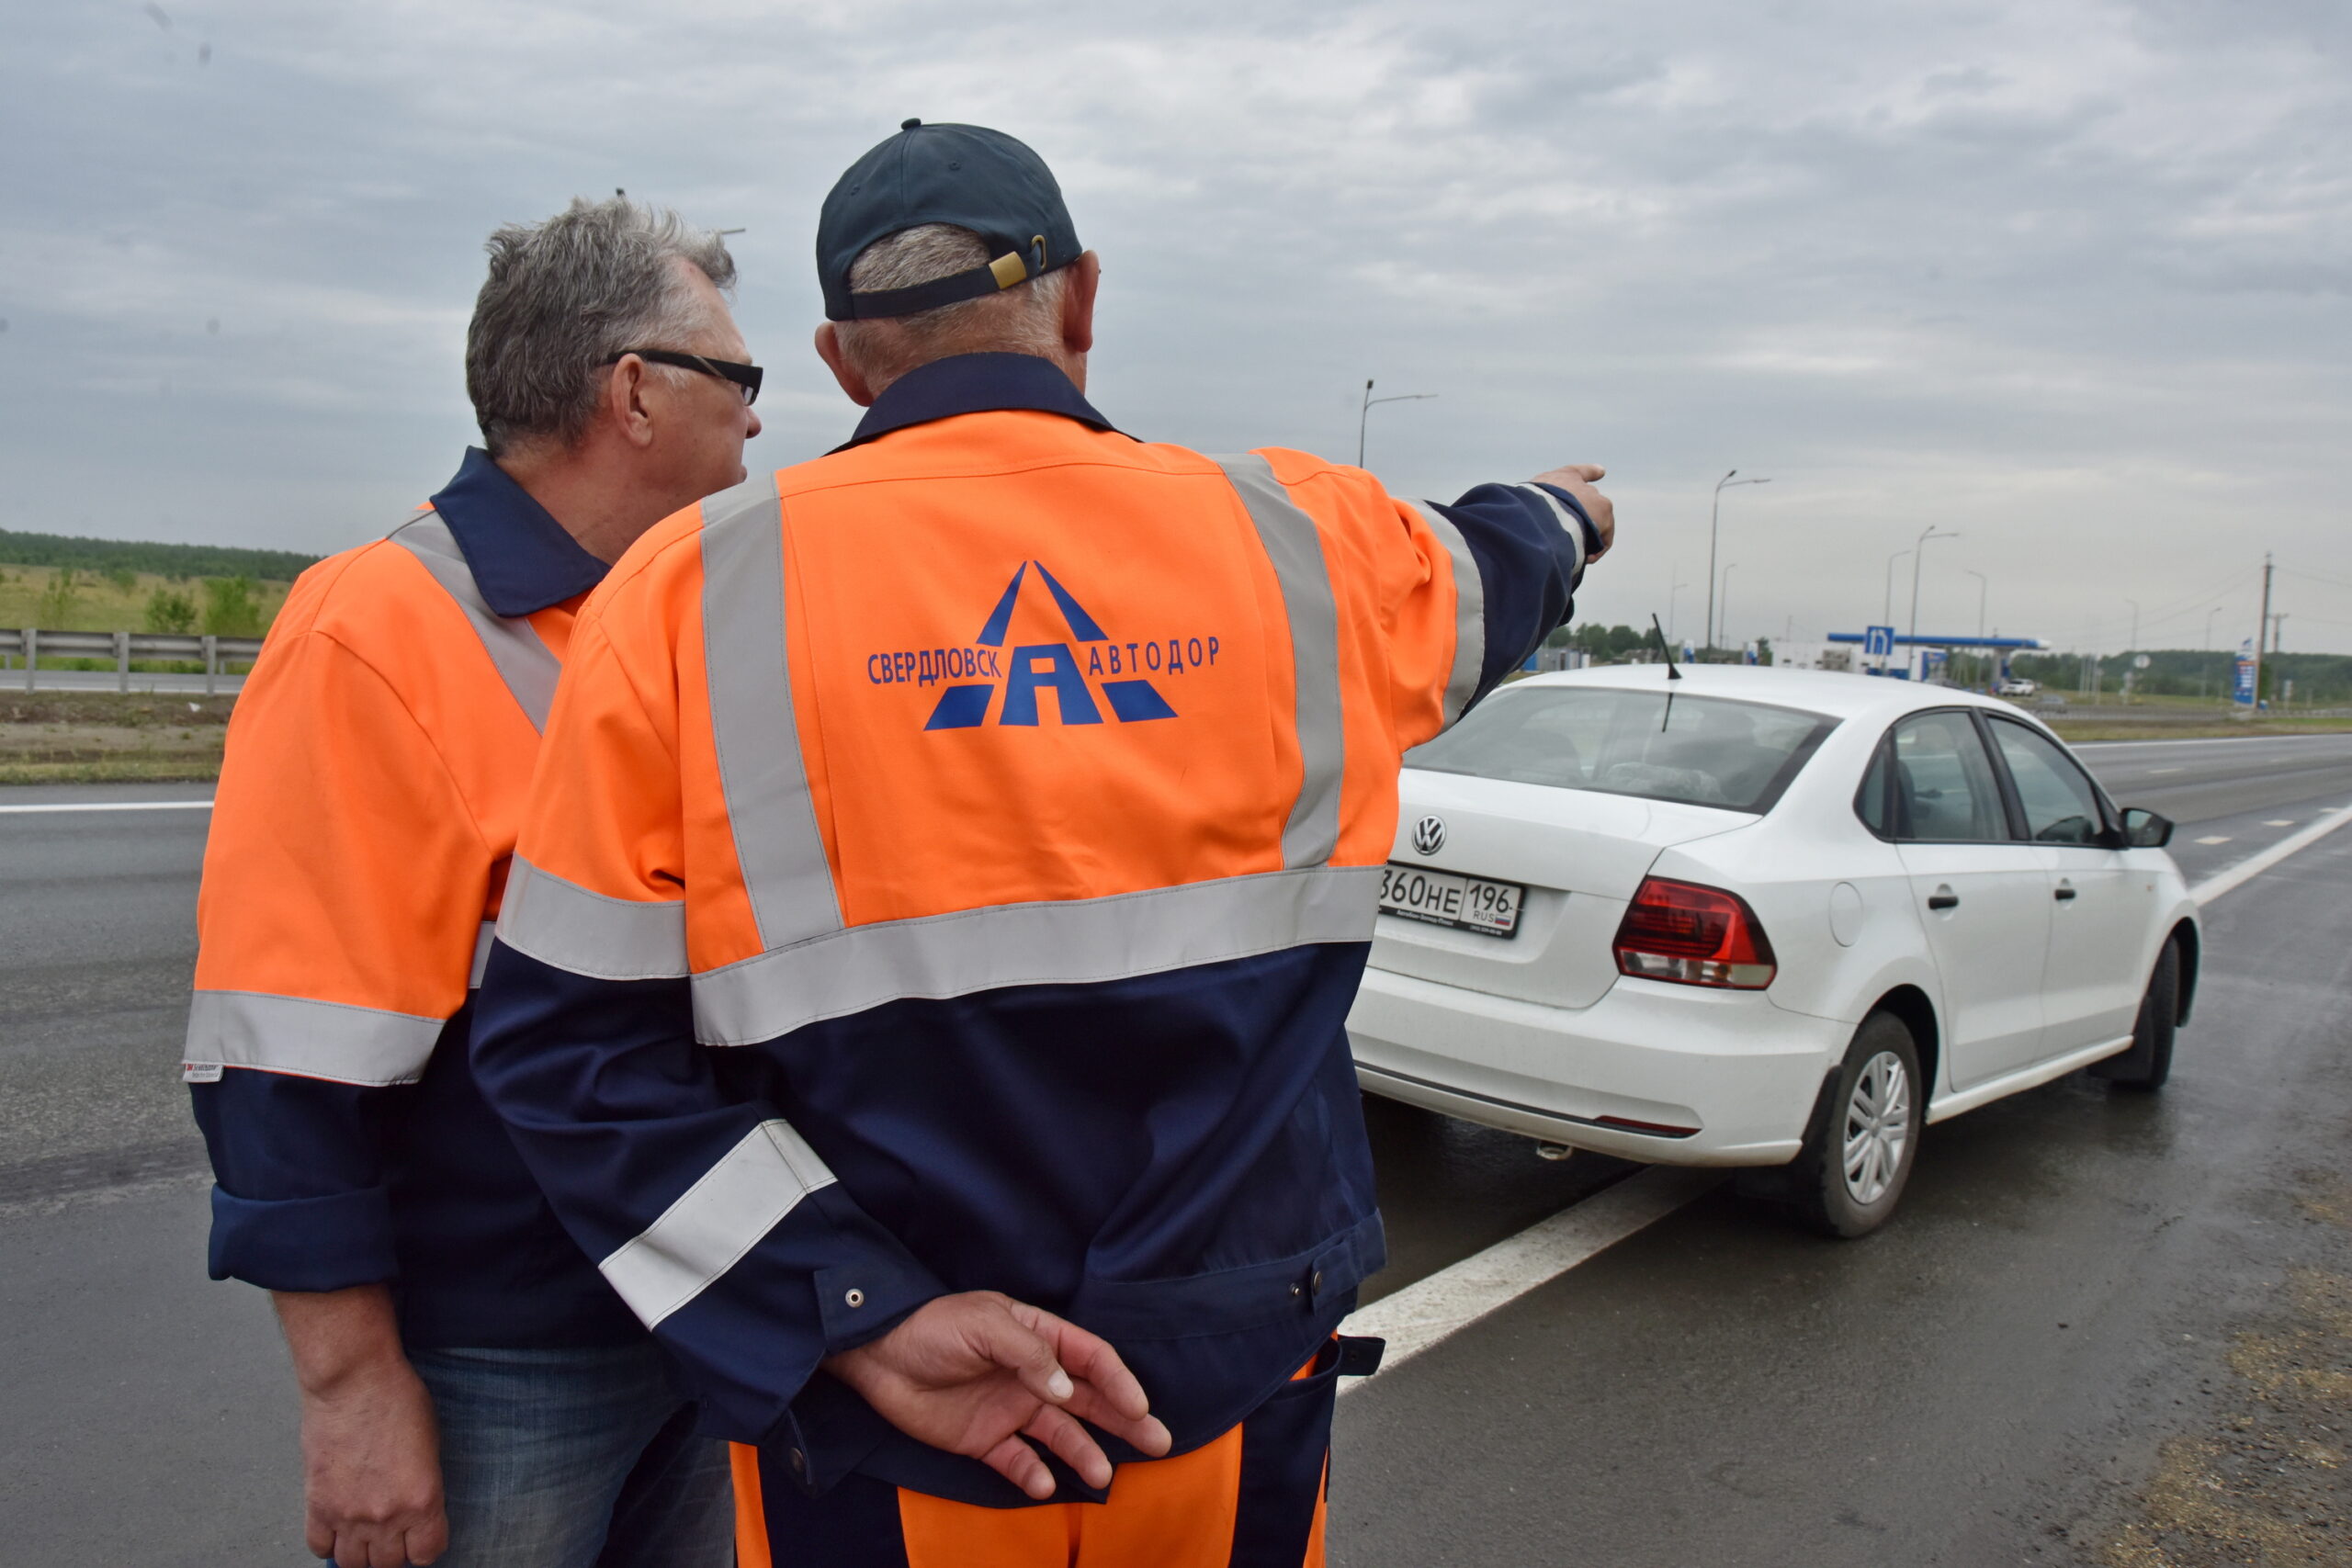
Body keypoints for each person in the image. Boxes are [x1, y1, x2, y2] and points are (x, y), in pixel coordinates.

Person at [469, 121, 1616, 1567]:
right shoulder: (1304, 544)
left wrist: (854, 1315)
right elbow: (1490, 564)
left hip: (892, 1445)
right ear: (1079, 298)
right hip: (1229, 1398)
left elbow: (567, 1054)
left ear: (839, 360)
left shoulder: (682, 600)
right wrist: (1571, 515)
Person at [183, 197, 760, 1568]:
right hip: (503, 1363)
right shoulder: (376, 631)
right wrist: (352, 1390)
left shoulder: (677, 623)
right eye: (736, 381)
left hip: (708, 1320)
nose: (754, 418)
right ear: (633, 392)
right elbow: (286, 1059)